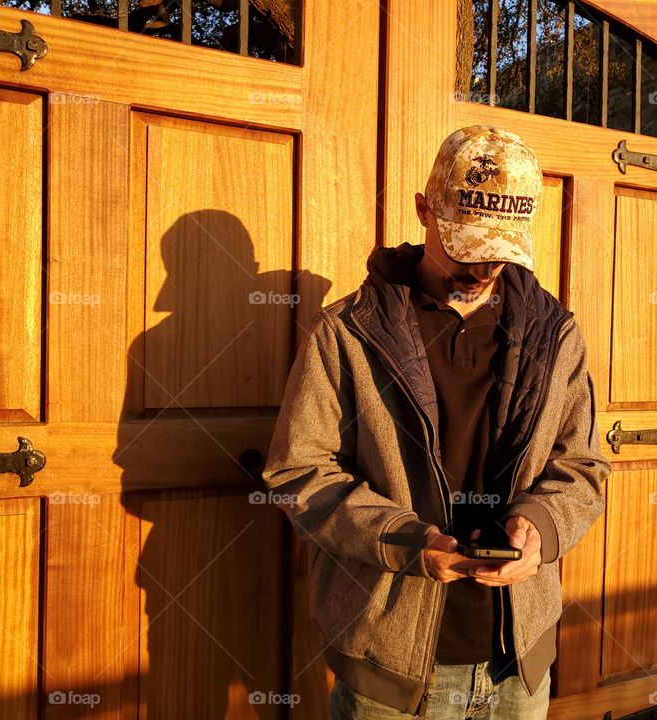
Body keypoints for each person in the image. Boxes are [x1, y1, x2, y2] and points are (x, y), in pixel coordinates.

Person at [262, 124, 612, 719]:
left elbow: (582, 467)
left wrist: (540, 525)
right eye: (466, 248)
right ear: (423, 210)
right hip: (390, 662)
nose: (482, 271)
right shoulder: (346, 332)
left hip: (519, 659)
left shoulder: (558, 336)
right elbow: (298, 473)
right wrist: (408, 541)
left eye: (499, 254)